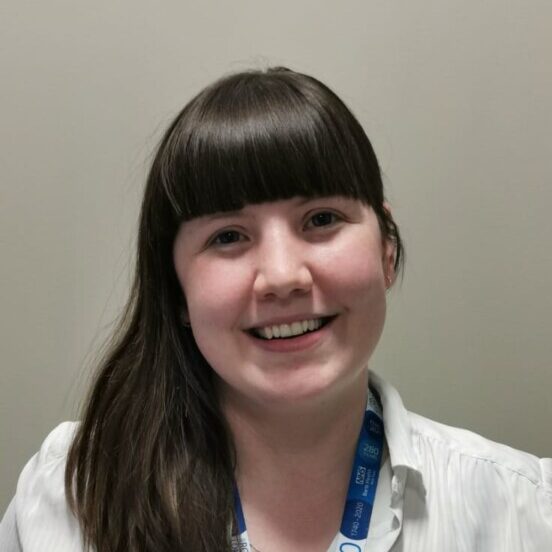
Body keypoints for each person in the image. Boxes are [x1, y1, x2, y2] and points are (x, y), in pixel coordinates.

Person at [1, 67, 551, 552]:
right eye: (228, 236)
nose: (284, 277)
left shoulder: (526, 508)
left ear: (387, 250)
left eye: (321, 220)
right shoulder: (70, 491)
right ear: (176, 291)